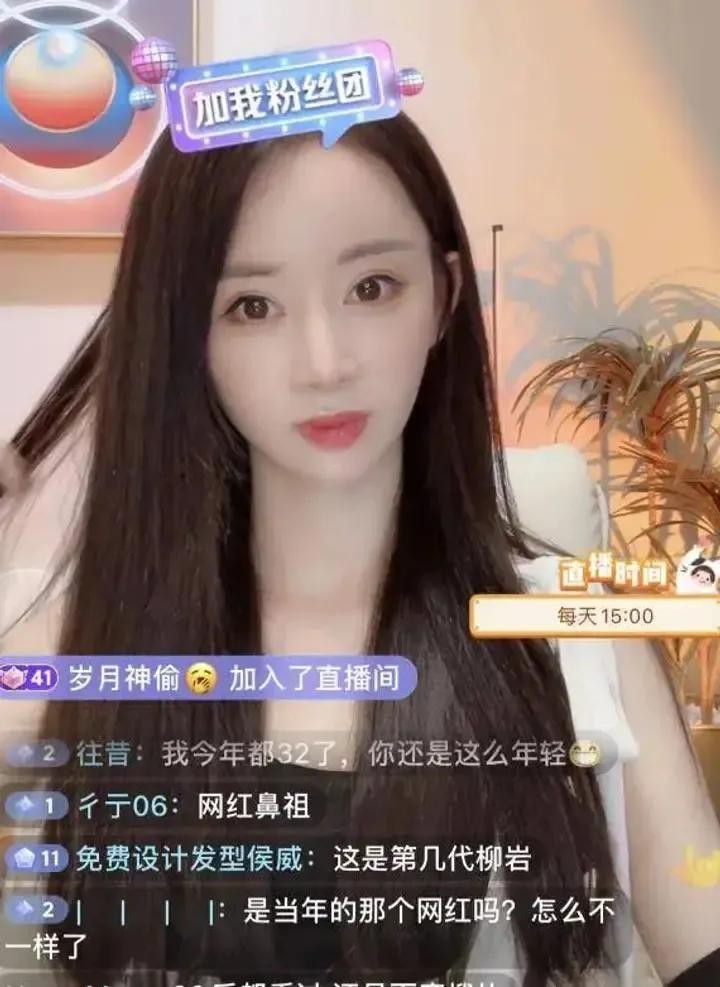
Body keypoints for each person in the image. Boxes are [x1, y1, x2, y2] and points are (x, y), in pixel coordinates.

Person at [1, 111, 719, 987]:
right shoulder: (75, 655)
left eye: (372, 287)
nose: (325, 361)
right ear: (187, 337)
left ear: (443, 296)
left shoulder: (577, 640)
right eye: (252, 305)